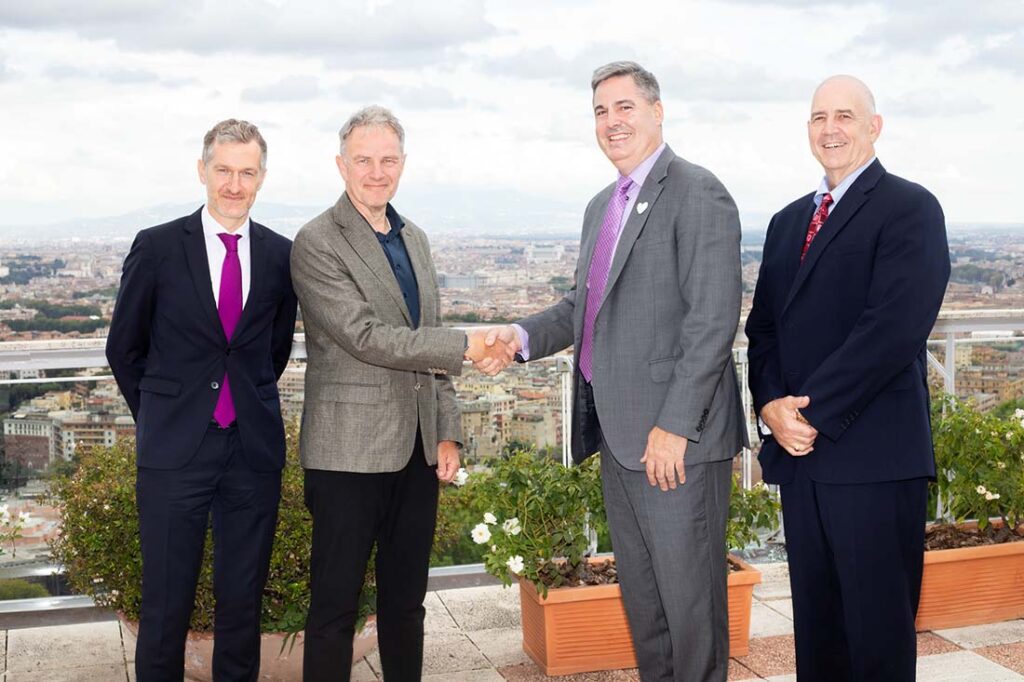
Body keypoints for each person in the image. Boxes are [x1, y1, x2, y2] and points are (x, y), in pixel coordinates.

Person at [484, 62, 746, 681]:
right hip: (619, 438)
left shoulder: (697, 191)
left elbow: (712, 322)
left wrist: (674, 427)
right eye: (600, 111)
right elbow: (585, 306)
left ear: (657, 111)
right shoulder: (603, 206)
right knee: (647, 608)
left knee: (691, 611)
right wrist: (519, 337)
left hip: (673, 443)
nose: (611, 122)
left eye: (624, 107)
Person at [290, 105, 511, 682]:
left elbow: (424, 337)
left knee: (407, 604)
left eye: (388, 159)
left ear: (403, 164)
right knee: (334, 608)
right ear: (341, 165)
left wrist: (447, 430)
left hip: (415, 450)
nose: (376, 171)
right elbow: (367, 337)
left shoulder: (415, 238)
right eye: (363, 160)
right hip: (346, 454)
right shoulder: (316, 241)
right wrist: (469, 344)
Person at [745, 75, 950, 681]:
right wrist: (771, 409)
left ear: (873, 126)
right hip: (803, 459)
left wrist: (805, 414)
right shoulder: (787, 223)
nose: (830, 128)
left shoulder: (910, 207)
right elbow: (763, 331)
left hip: (873, 459)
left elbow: (892, 331)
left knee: (877, 640)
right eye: (818, 118)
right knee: (819, 636)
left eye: (845, 116)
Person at [106, 119, 298, 680]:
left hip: (252, 451)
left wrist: (241, 402)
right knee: (165, 605)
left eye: (247, 172)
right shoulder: (160, 247)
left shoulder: (280, 255)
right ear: (202, 170)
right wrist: (165, 415)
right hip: (173, 453)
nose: (234, 184)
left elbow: (272, 351)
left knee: (242, 606)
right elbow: (125, 349)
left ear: (262, 177)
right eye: (223, 170)